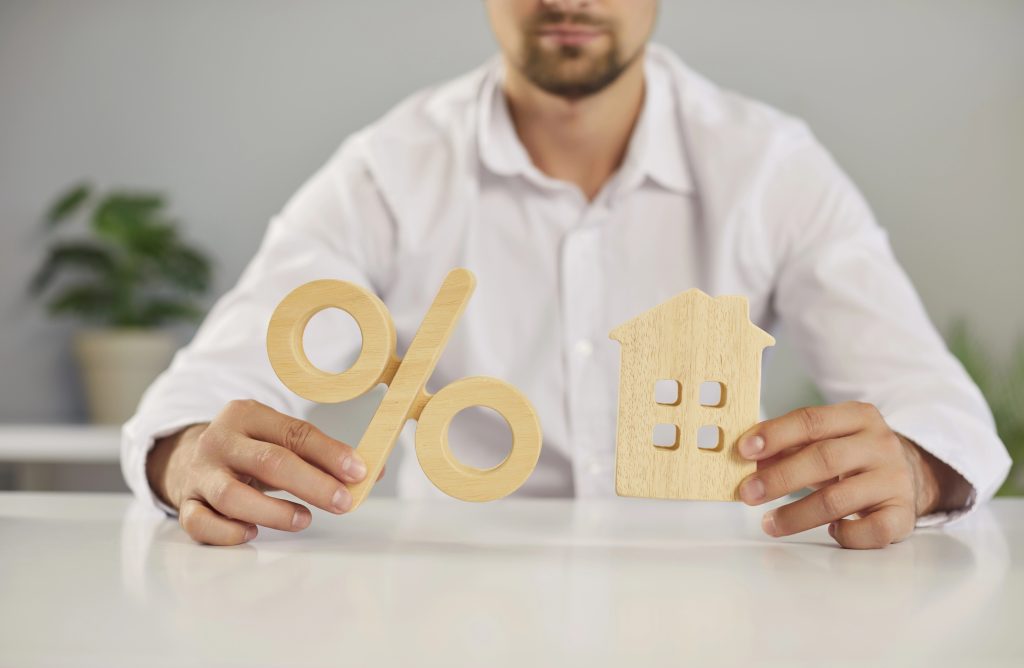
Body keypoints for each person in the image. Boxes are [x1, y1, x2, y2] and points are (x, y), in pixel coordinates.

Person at [125, 0, 1010, 548]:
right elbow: (205, 390)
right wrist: (185, 455)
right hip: (449, 613)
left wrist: (919, 469)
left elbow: (942, 411)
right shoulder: (390, 167)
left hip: (707, 612)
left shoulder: (771, 166)